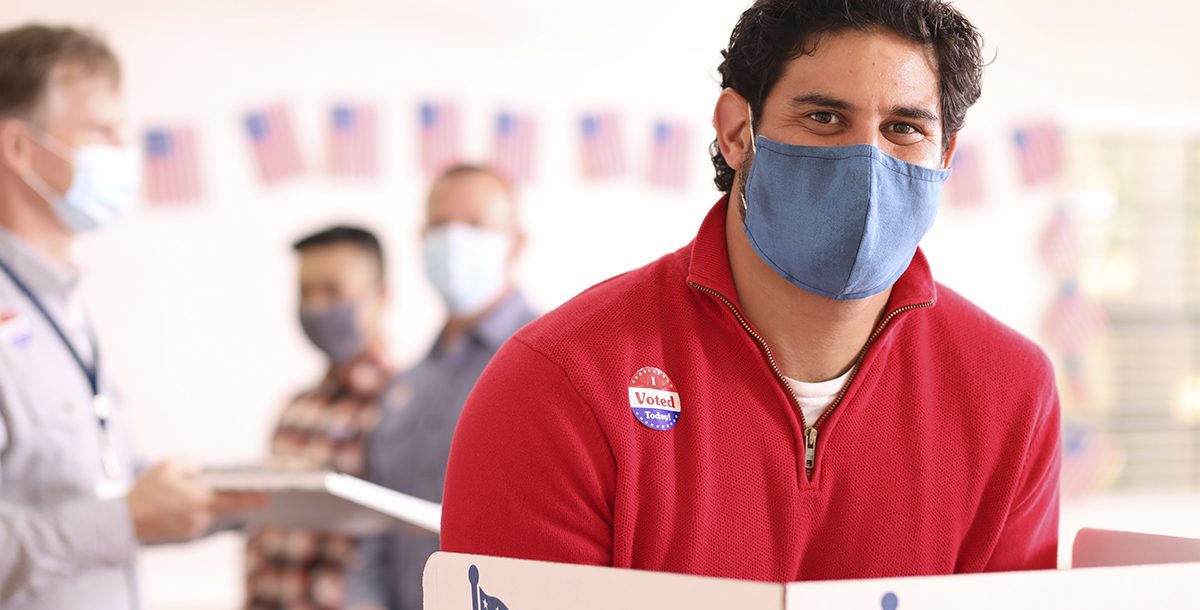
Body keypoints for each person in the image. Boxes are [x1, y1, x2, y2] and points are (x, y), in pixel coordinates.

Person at [441, 0, 1062, 582]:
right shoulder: (562, 383)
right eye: (824, 117)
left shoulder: (1010, 393)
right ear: (739, 132)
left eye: (903, 128)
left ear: (945, 155)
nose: (866, 160)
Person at [0, 24, 263, 610]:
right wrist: (123, 519)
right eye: (100, 130)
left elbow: (96, 488)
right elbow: (114, 514)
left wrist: (261, 493)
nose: (125, 151)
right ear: (20, 148)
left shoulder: (59, 304)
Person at [347, 165, 538, 610]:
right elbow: (376, 527)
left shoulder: (549, 363)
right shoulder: (407, 384)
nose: (455, 242)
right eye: (440, 226)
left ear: (516, 242)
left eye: (474, 225)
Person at [244, 226, 394, 609]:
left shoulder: (401, 406)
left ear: (380, 297)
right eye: (305, 292)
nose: (316, 306)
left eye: (332, 290)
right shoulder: (296, 409)